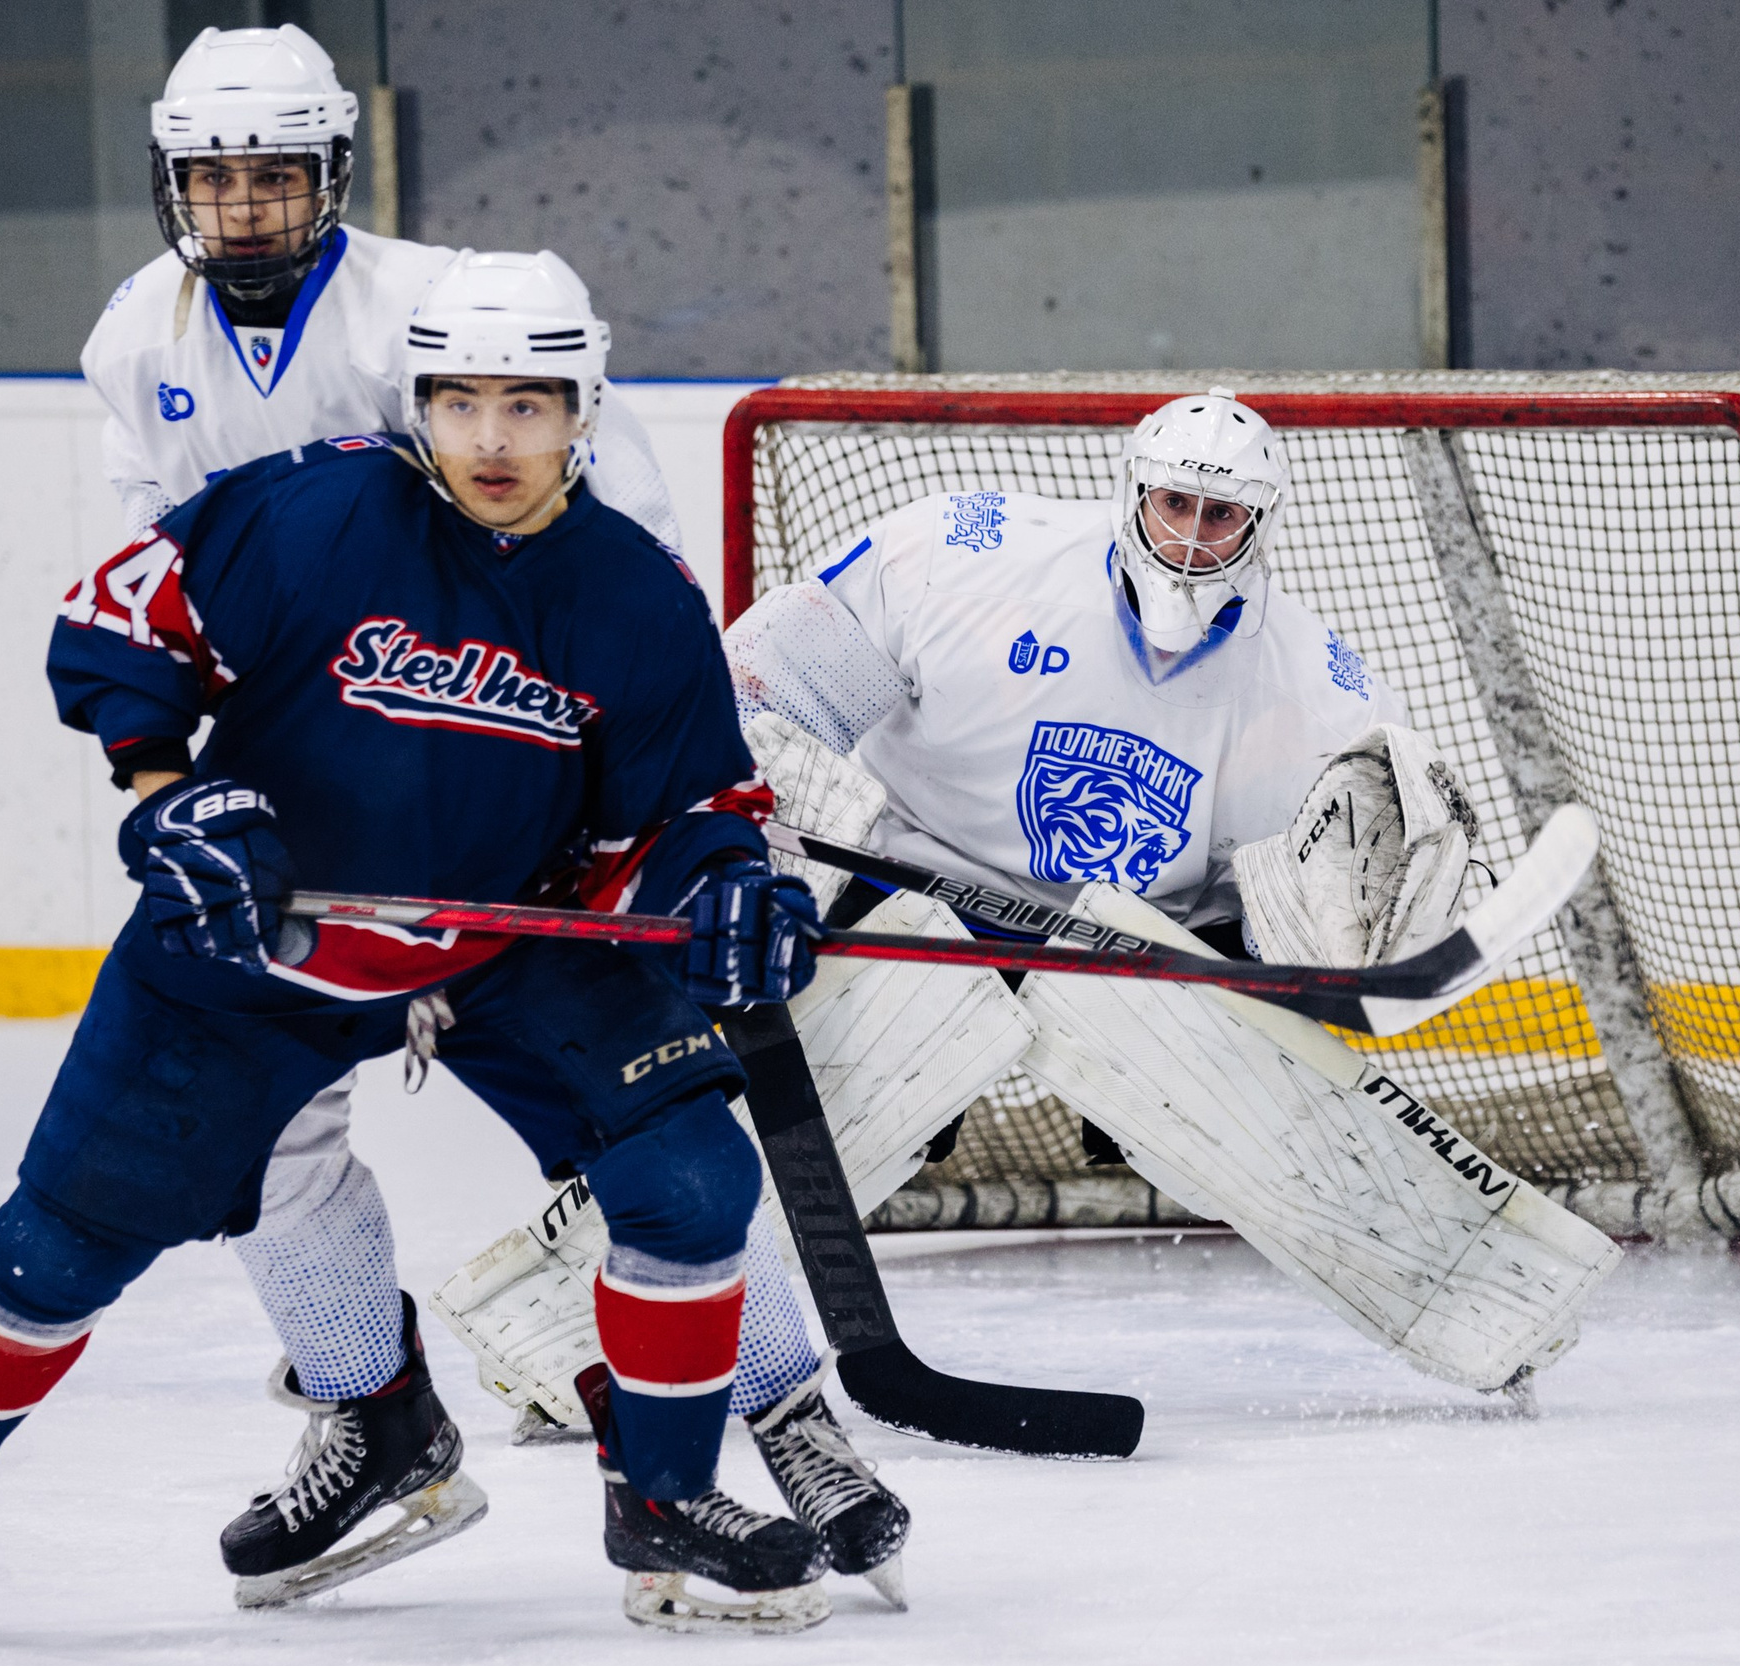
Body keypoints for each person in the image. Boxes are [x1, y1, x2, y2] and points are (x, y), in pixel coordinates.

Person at [0, 250, 840, 1638]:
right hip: (254, 936)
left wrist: (729, 885)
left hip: (499, 933)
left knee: (689, 1173)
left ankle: (660, 1494)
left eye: (528, 404)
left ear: (584, 406)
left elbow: (696, 803)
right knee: (56, 1249)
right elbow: (121, 624)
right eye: (460, 399)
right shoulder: (315, 509)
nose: (491, 437)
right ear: (415, 396)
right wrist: (166, 788)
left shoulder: (635, 591)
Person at [80, 23, 904, 1610]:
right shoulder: (138, 337)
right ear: (172, 180)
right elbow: (158, 584)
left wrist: (585, 830)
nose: (243, 208)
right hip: (313, 819)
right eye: (211, 177)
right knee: (257, 1132)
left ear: (333, 172)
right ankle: (370, 1413)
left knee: (655, 1117)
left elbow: (627, 571)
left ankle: (783, 1407)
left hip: (537, 798)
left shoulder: (455, 312)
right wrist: (208, 799)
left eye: (274, 174)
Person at [438, 390, 1622, 1443]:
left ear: (1262, 528)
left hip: (1116, 951)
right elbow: (756, 697)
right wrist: (758, 845)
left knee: (1276, 1103)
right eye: (1173, 506)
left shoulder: (1317, 692)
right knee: (765, 1117)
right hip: (898, 901)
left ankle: (1490, 1304)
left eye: (1222, 519)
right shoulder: (963, 556)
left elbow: (1277, 926)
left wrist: (1325, 945)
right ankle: (556, 1343)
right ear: (1131, 494)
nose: (1192, 536)